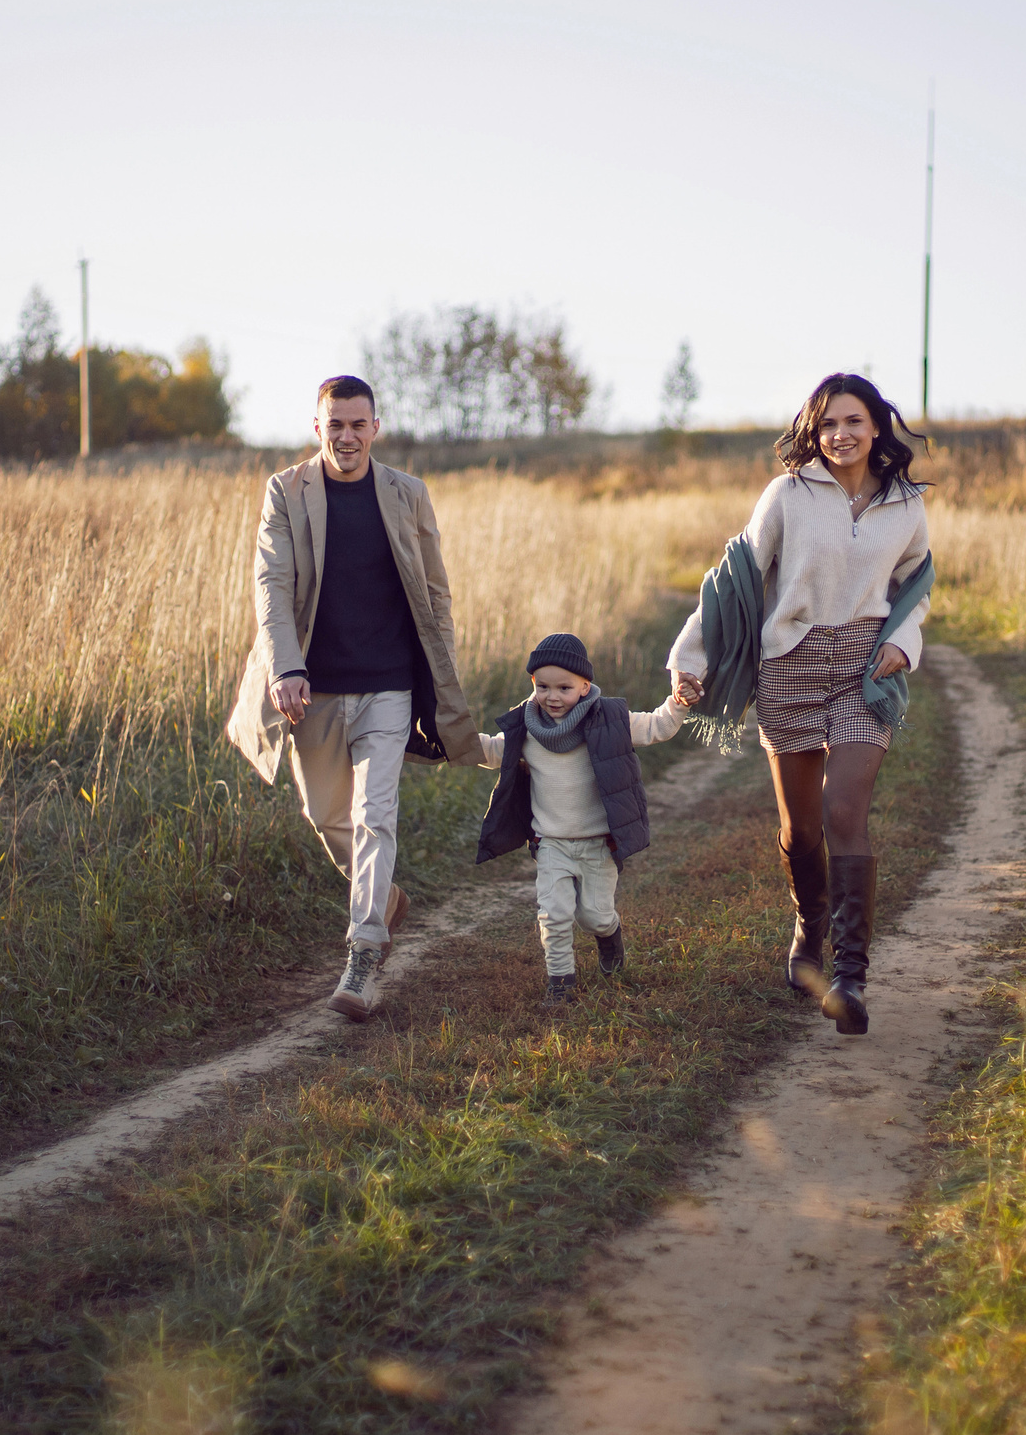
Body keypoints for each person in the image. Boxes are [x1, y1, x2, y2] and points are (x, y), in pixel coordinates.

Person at [668, 373, 933, 1035]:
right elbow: (734, 579)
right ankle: (809, 922)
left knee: (844, 808)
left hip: (862, 669)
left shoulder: (905, 504)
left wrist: (904, 640)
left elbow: (917, 581)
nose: (840, 435)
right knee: (799, 830)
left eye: (852, 421)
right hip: (788, 666)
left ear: (876, 426)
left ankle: (850, 975)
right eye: (827, 424)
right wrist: (690, 661)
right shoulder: (786, 495)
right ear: (815, 433)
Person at [227, 375, 484, 1021]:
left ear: (376, 427)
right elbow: (272, 585)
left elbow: (436, 591)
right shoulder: (285, 491)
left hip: (390, 684)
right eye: (334, 424)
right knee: (325, 814)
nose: (346, 436)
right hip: (310, 689)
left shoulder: (408, 494)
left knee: (376, 816)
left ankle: (364, 954)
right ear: (318, 428)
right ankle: (384, 896)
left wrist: (441, 679)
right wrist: (286, 667)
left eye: (357, 424)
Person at [471, 633, 690, 1005]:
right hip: (551, 843)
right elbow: (490, 750)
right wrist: (451, 739)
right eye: (542, 686)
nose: (552, 696)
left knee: (594, 917)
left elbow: (657, 726)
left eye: (564, 687)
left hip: (597, 844)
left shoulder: (611, 721)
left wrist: (678, 703)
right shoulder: (524, 730)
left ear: (585, 686)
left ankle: (610, 935)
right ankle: (560, 983)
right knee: (554, 915)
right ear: (532, 685)